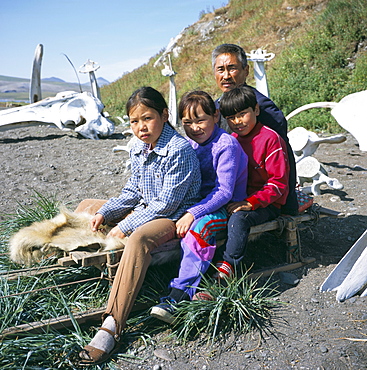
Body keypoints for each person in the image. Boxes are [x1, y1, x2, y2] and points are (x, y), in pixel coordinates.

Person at [77, 86, 201, 365]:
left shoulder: (178, 149)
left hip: (175, 218)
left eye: (147, 118)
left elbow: (166, 205)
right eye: (134, 121)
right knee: (88, 206)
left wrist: (126, 224)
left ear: (164, 115)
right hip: (146, 209)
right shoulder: (139, 147)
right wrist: (107, 213)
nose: (141, 127)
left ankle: (112, 324)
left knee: (138, 239)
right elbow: (132, 191)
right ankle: (89, 260)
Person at [149, 90, 248, 323]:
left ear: (215, 116)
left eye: (200, 120)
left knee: (199, 229)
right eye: (187, 123)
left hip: (225, 206)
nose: (194, 128)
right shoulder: (190, 145)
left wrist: (192, 213)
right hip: (196, 201)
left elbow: (224, 191)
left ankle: (181, 293)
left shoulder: (226, 145)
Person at [212, 43, 298, 215]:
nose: (226, 76)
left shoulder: (262, 108)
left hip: (261, 195)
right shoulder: (216, 107)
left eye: (232, 68)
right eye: (220, 69)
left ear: (246, 71)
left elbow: (282, 156)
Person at [216, 85, 290, 277]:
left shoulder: (270, 139)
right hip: (239, 199)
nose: (237, 121)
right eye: (231, 117)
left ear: (256, 110)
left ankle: (228, 266)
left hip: (267, 204)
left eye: (242, 114)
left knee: (239, 219)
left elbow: (278, 184)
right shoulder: (231, 140)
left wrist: (250, 203)